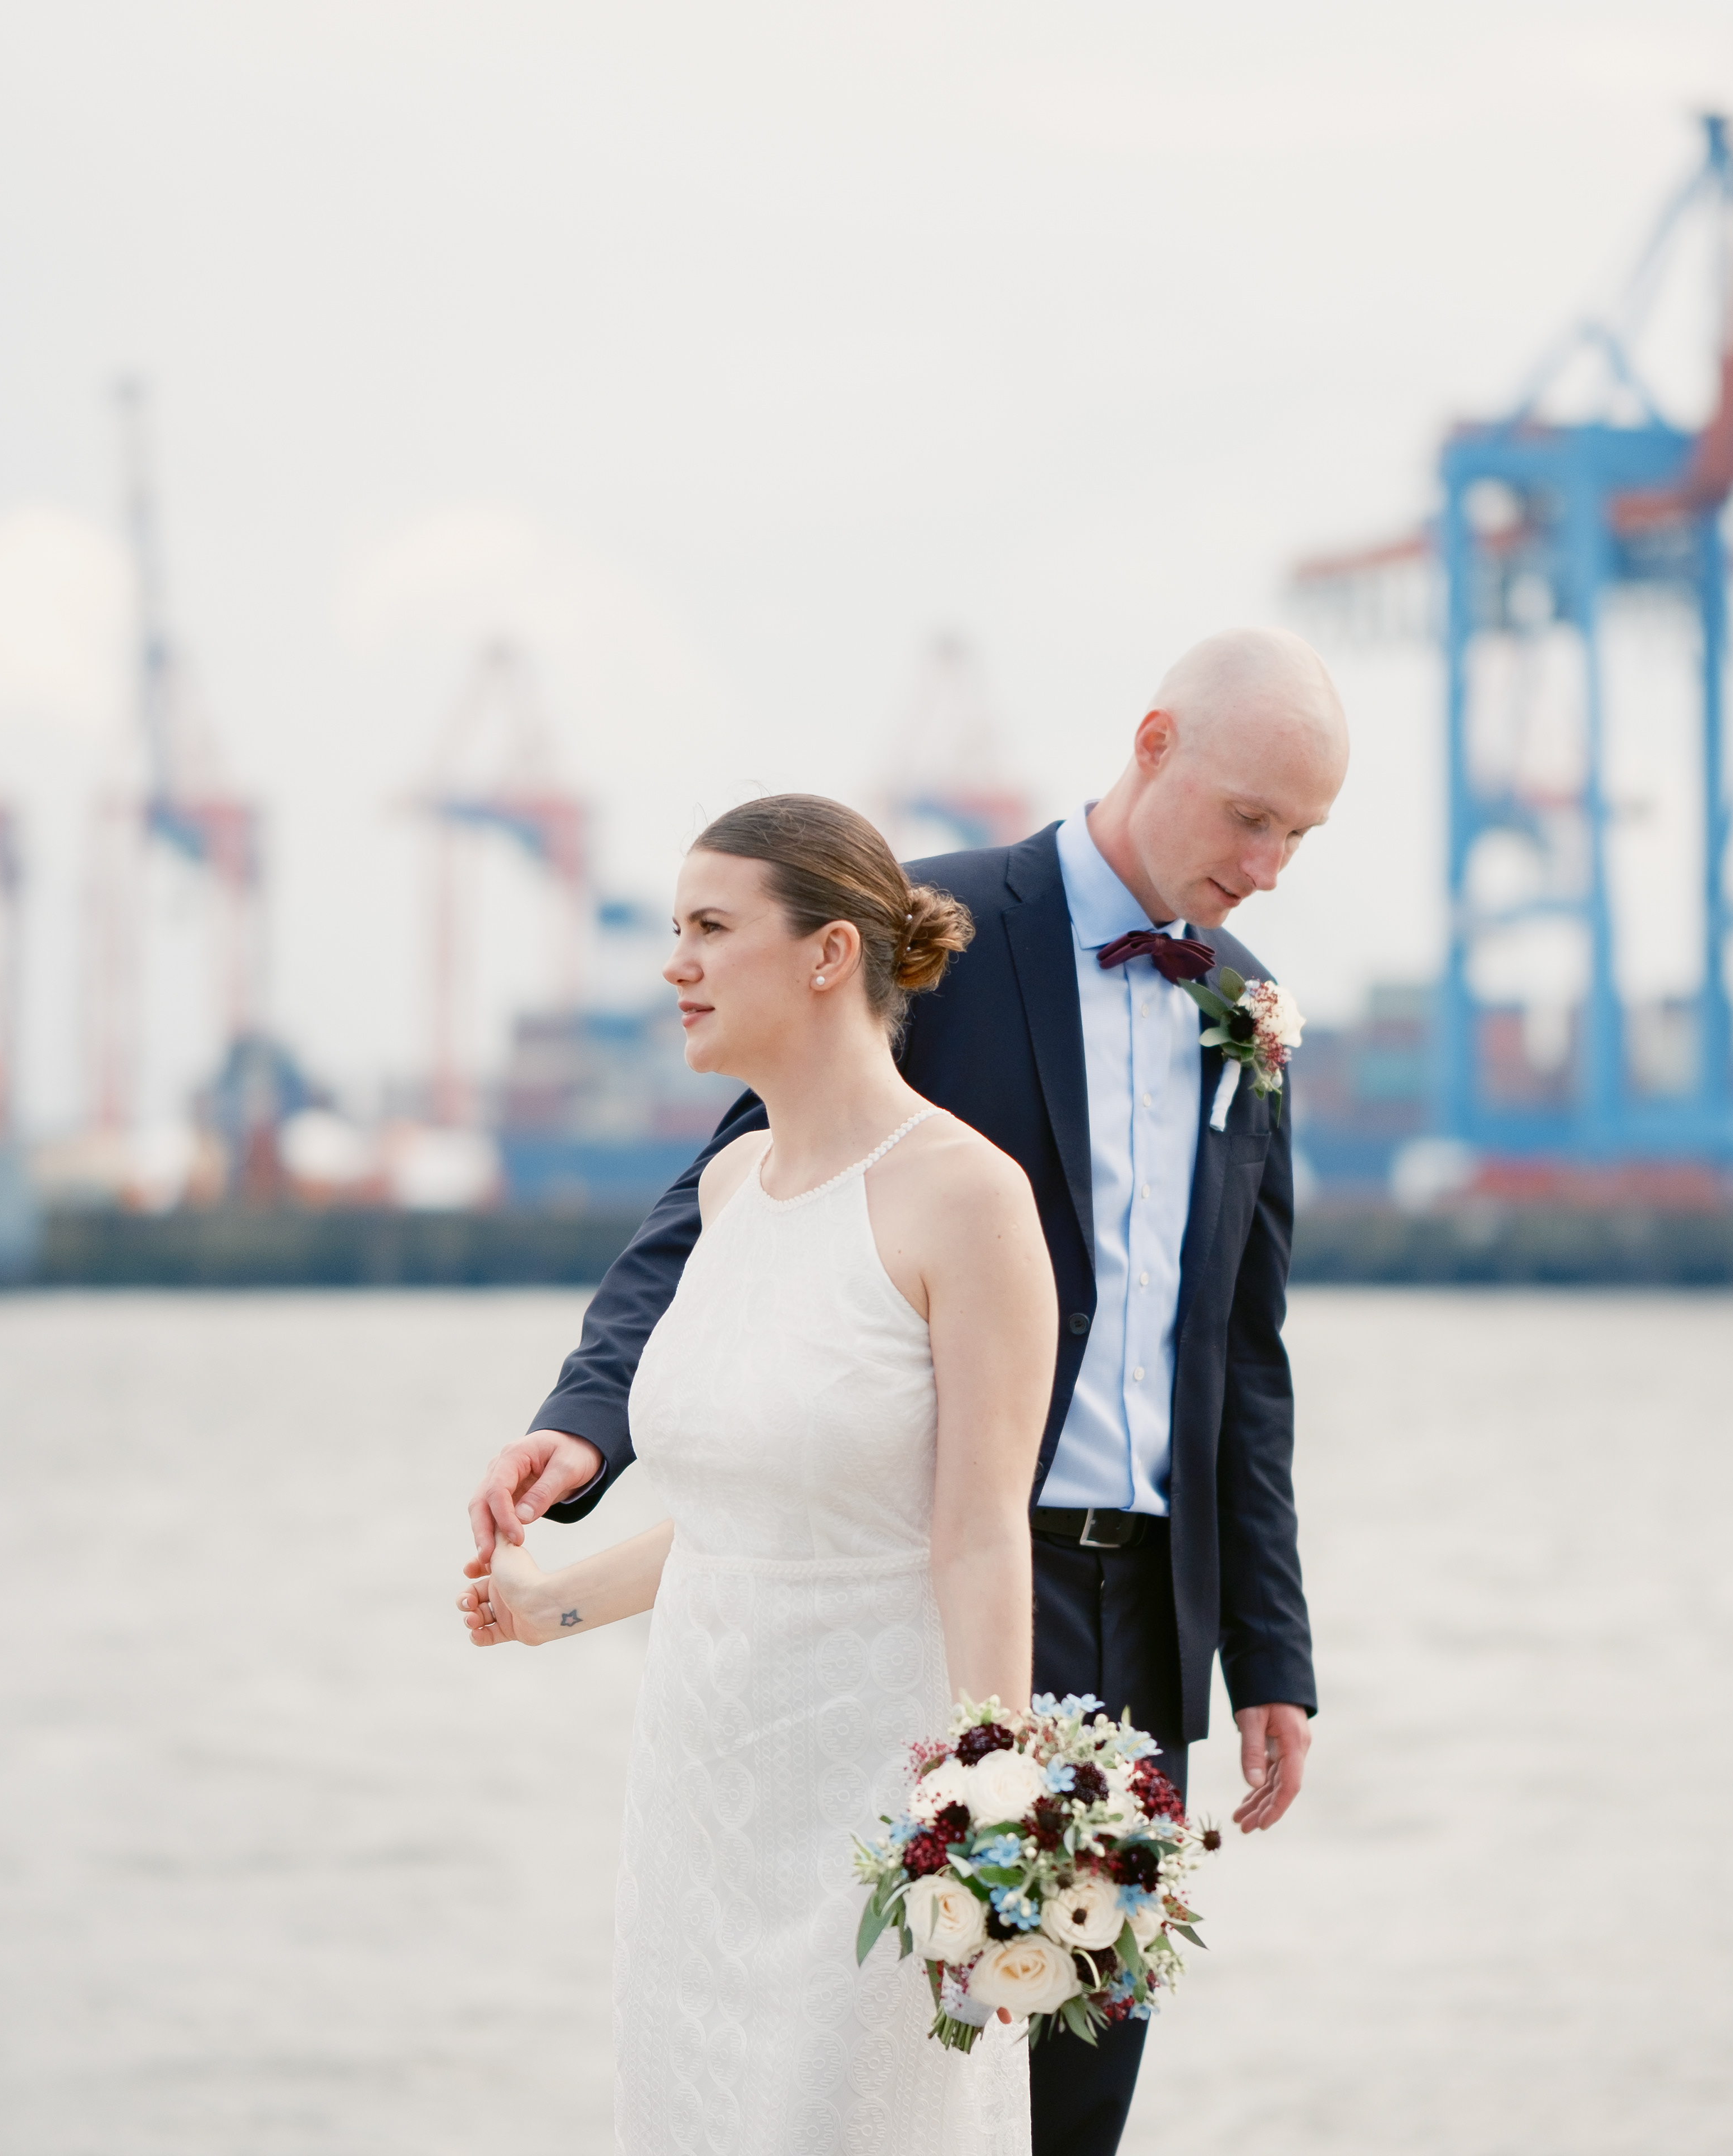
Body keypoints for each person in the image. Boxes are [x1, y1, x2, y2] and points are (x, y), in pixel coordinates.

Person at [470, 625, 1352, 2156]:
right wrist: (585, 1424)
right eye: (1250, 817)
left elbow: (1242, 1361)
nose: (1269, 863)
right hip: (955, 1562)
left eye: (1302, 834)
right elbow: (729, 1201)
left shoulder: (1250, 1011)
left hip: (1155, 1609)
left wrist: (1268, 1651)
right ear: (1152, 746)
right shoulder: (942, 930)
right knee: (890, 2052)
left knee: (1074, 2074)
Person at [460, 795, 1058, 2153]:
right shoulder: (730, 1191)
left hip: (874, 1786)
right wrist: (545, 1603)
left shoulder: (966, 1197)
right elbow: (748, 1518)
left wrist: (993, 1803)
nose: (675, 963)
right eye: (675, 930)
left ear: (830, 954)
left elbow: (976, 1534)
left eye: (712, 929)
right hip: (703, 1783)